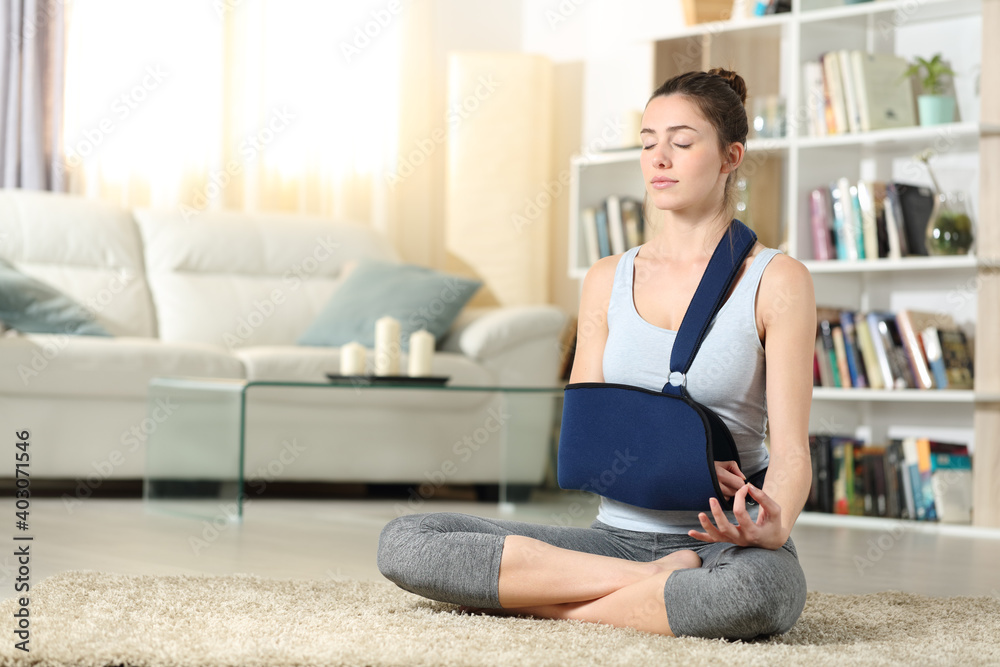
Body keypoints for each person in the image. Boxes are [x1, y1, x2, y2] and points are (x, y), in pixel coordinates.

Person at [377, 68, 817, 640]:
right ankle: (647, 584)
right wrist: (679, 462)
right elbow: (591, 438)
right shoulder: (607, 278)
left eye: (681, 142)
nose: (659, 157)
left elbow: (790, 453)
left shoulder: (777, 280)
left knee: (754, 598)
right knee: (407, 543)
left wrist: (771, 528)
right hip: (613, 538)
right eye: (647, 142)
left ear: (731, 156)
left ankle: (558, 600)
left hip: (719, 549)